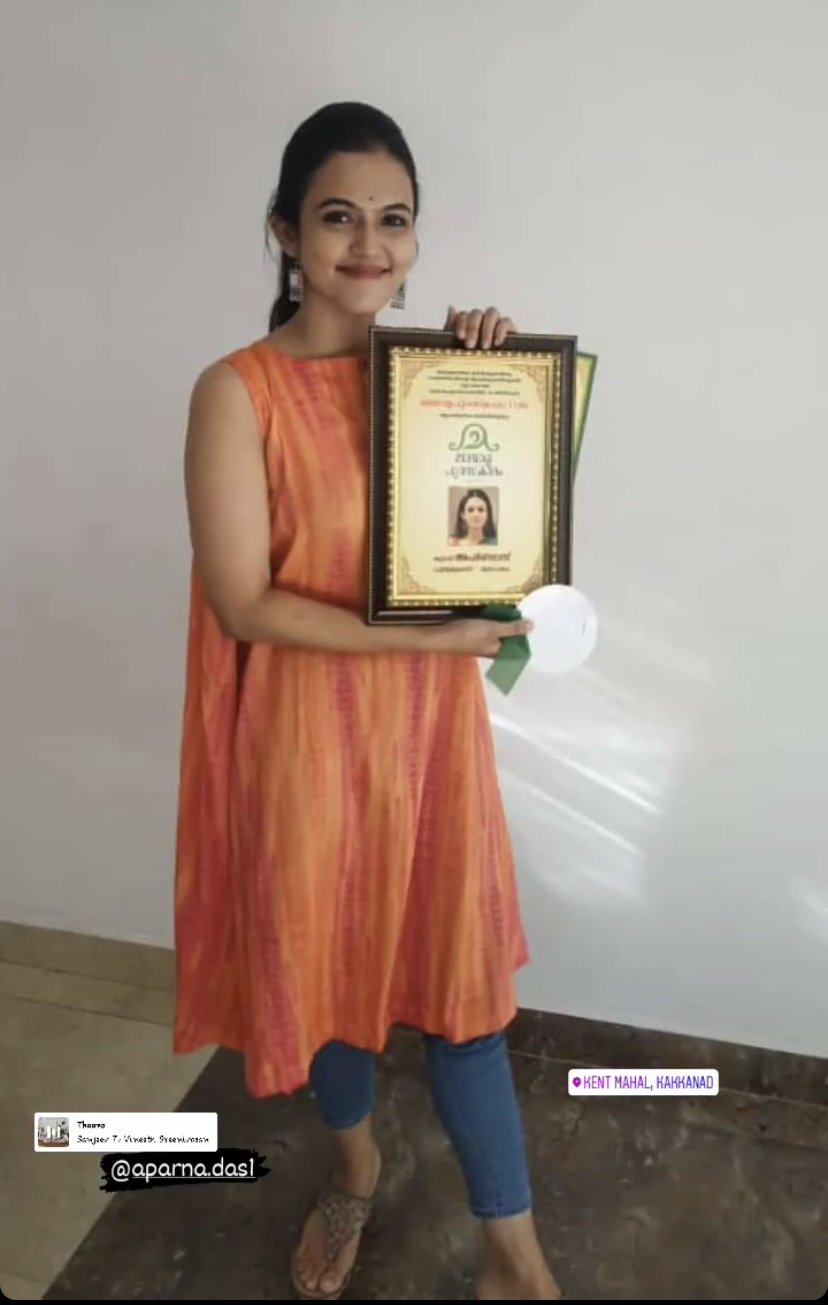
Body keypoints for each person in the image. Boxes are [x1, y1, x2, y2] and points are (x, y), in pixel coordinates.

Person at [174, 102, 562, 1302]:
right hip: (305, 744)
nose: (368, 244)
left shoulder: (440, 381)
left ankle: (514, 1260)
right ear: (286, 230)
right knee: (331, 987)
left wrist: (499, 389)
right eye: (338, 216)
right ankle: (354, 1168)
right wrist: (424, 638)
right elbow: (244, 603)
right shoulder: (236, 392)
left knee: (466, 1001)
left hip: (429, 743)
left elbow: (496, 550)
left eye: (394, 220)